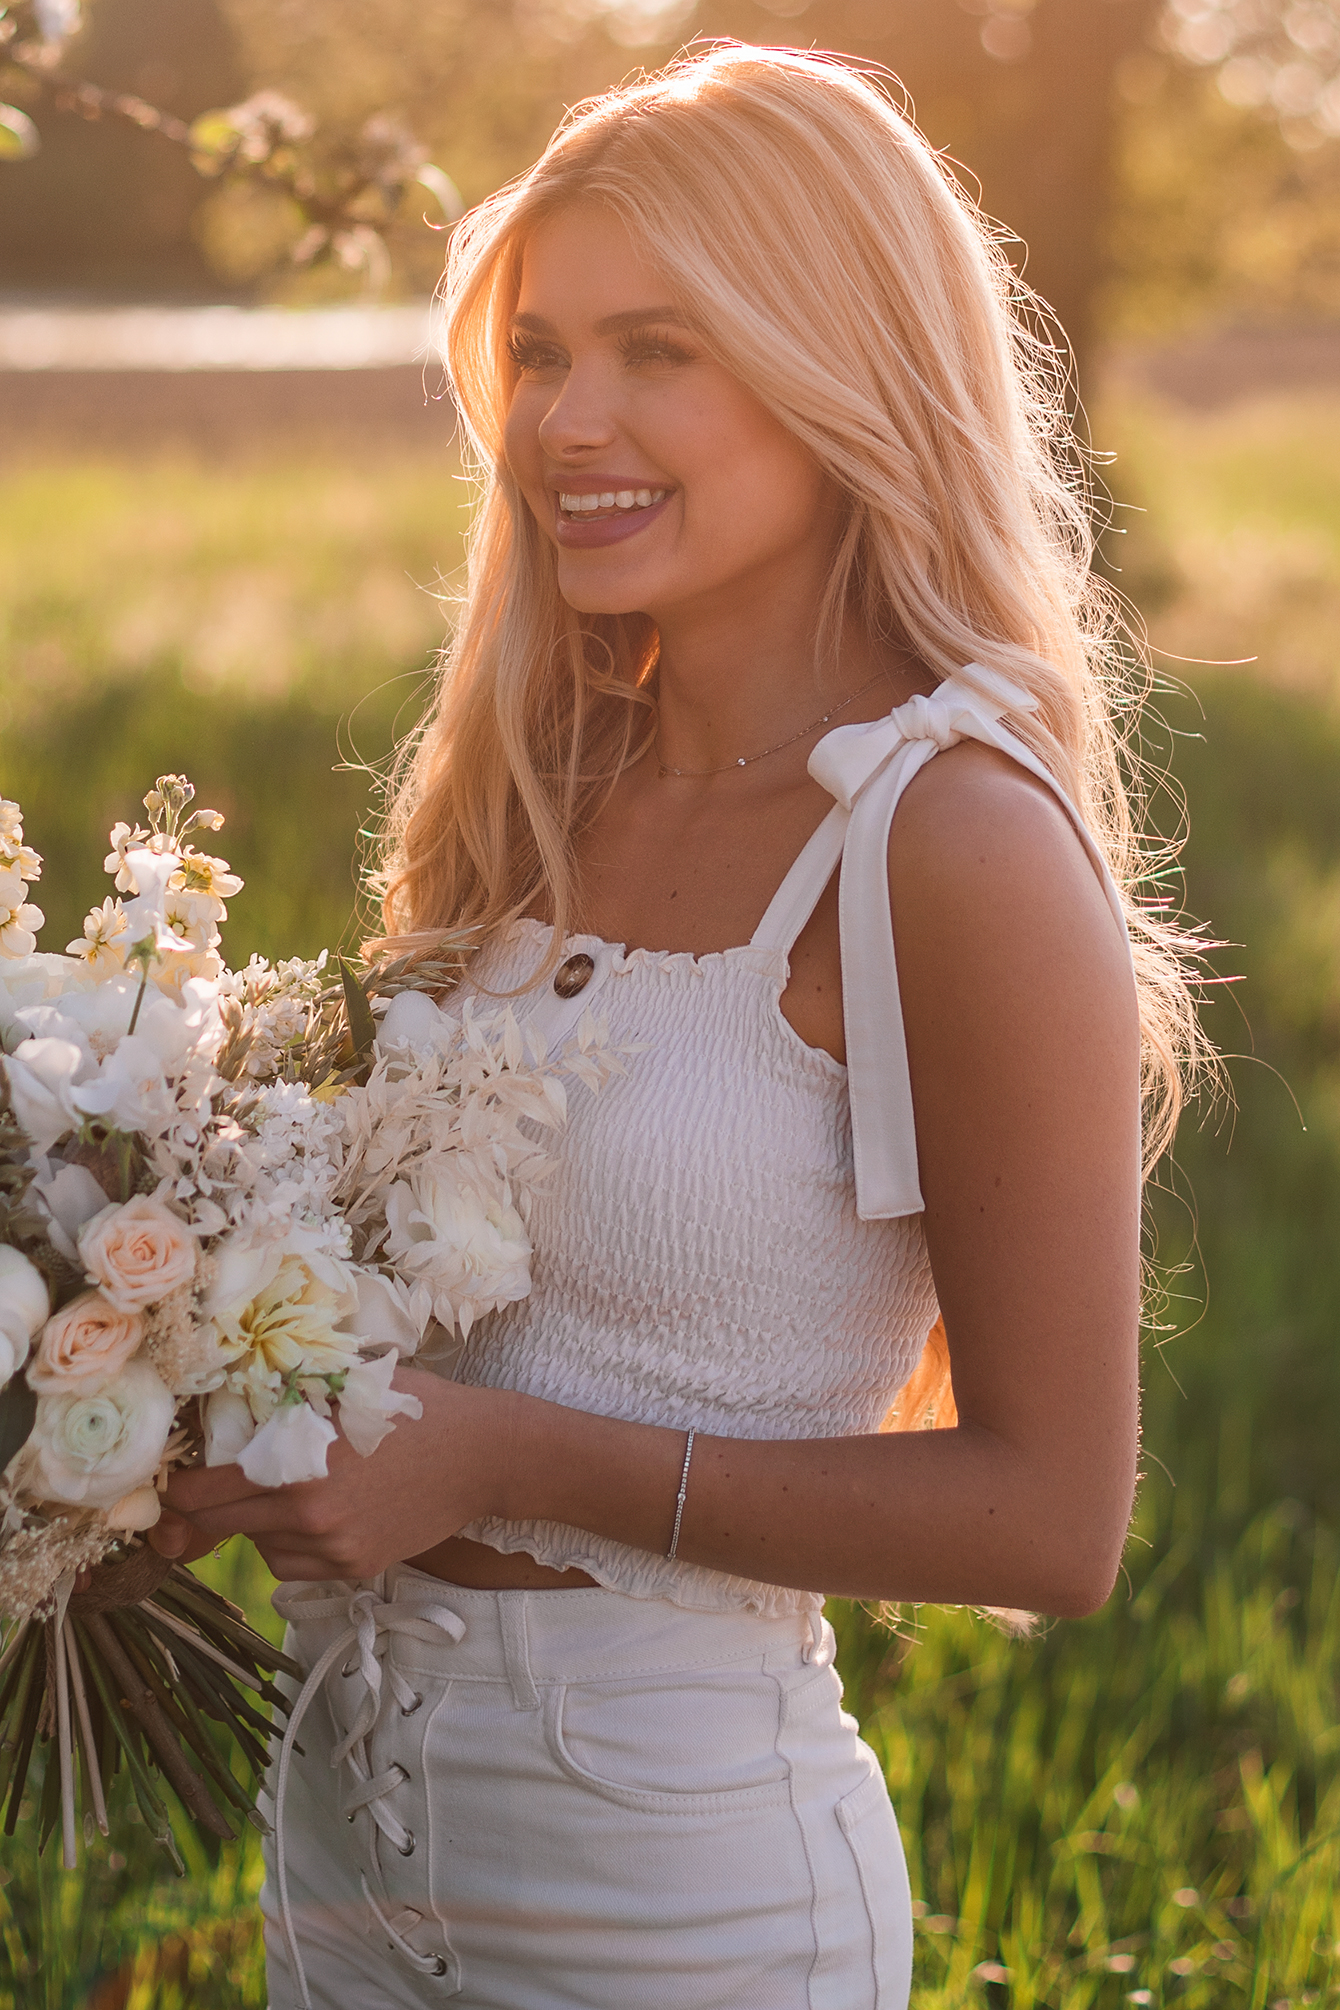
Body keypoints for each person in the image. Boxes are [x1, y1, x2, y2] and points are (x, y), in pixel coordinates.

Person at [153, 42, 1204, 2010]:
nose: (570, 421)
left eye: (661, 349)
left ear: (839, 370)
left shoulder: (944, 839)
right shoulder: (535, 795)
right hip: (348, 1835)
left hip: (672, 1892)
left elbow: (1052, 1522)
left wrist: (498, 1461)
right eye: (541, 353)